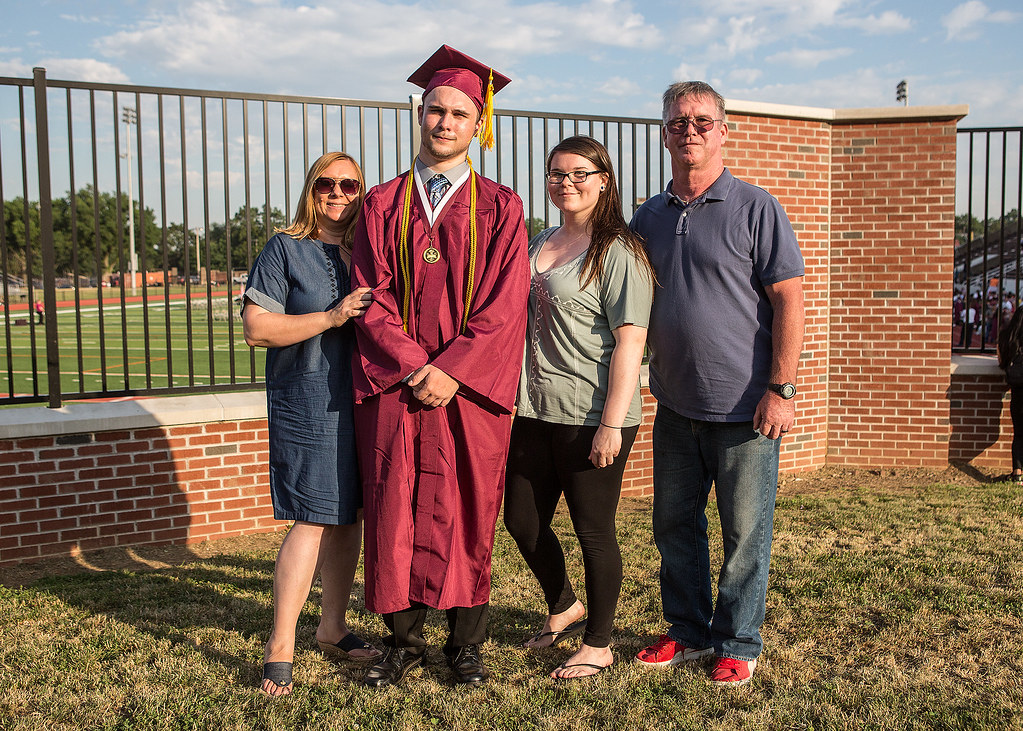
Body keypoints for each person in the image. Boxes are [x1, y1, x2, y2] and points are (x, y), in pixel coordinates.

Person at [350, 45, 529, 688]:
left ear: (476, 122)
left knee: (470, 505)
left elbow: (505, 306)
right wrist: (408, 362)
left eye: (459, 112)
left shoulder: (503, 209)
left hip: (467, 389)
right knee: (394, 504)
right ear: (419, 115)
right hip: (398, 384)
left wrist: (453, 368)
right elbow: (370, 294)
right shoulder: (381, 203)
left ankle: (465, 641)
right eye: (435, 110)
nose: (445, 122)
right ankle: (401, 638)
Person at [629, 81, 805, 687]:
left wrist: (780, 390)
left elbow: (790, 302)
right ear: (664, 133)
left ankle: (738, 640)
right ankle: (686, 631)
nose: (691, 131)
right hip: (675, 404)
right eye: (678, 122)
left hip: (746, 409)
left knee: (743, 532)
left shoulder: (757, 207)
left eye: (703, 121)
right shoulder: (647, 216)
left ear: (723, 129)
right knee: (673, 525)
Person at [503, 135, 654, 680]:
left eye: (579, 173)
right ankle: (564, 604)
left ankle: (599, 642)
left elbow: (630, 342)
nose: (566, 183)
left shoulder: (620, 251)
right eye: (557, 174)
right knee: (520, 519)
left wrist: (612, 423)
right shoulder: (540, 241)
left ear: (604, 180)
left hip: (590, 413)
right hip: (532, 408)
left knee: (593, 529)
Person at [242, 152, 380, 697]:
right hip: (309, 401)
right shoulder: (285, 248)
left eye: (351, 184)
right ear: (311, 189)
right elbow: (257, 328)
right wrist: (330, 316)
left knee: (350, 519)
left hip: (365, 401)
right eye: (328, 183)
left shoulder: (368, 253)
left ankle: (332, 627)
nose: (339, 193)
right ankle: (280, 645)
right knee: (312, 518)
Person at [998, 305, 1023, 483]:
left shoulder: (1008, 338)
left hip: (1018, 394)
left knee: (1019, 434)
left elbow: (1001, 362)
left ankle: (1018, 474)